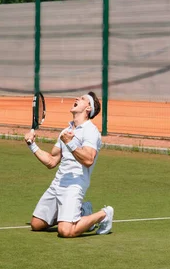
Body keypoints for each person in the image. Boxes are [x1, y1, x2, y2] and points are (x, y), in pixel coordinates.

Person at [24, 91, 114, 238]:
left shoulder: (91, 131)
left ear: (88, 108)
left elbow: (88, 159)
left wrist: (70, 143)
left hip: (75, 184)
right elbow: (52, 161)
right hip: (58, 182)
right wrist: (32, 145)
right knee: (37, 224)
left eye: (82, 98)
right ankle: (81, 212)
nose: (77, 98)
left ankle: (104, 214)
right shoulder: (66, 131)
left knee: (65, 231)